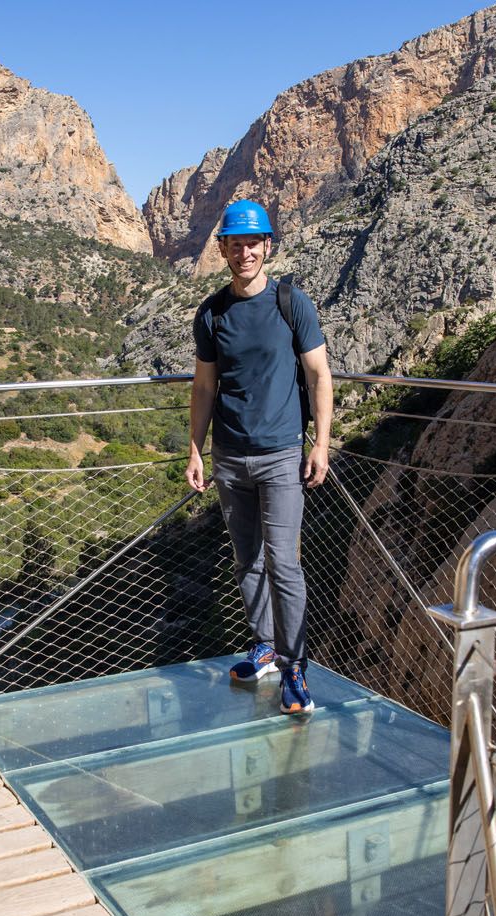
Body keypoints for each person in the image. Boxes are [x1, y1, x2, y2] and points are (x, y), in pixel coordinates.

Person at [186, 199, 334, 715]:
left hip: (280, 456)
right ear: (223, 249)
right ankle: (265, 646)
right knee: (246, 559)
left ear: (267, 246)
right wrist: (195, 450)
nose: (244, 251)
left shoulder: (291, 303)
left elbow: (319, 376)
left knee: (284, 564)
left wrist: (321, 443)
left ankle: (295, 668)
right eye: (235, 243)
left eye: (253, 242)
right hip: (229, 456)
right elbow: (204, 388)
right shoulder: (211, 313)